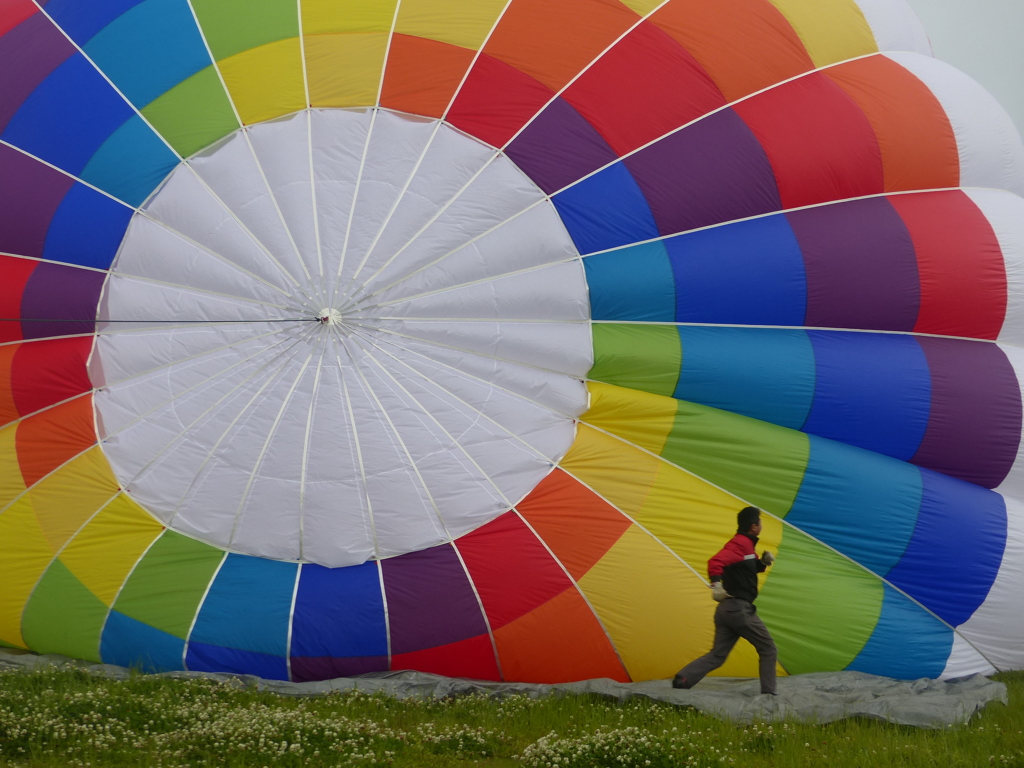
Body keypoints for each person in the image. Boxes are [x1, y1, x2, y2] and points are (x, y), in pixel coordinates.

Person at [672, 506, 778, 695]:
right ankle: (769, 696)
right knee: (768, 649)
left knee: (718, 655)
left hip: (726, 611)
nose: (761, 526)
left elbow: (747, 566)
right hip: (738, 609)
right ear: (754, 527)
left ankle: (683, 679)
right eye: (760, 523)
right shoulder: (739, 544)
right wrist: (716, 584)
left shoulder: (746, 546)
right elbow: (715, 562)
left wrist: (762, 562)